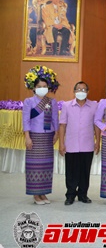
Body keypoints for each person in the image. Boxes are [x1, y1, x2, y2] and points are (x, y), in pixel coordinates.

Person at [58, 81, 99, 205]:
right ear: (74, 91)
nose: (81, 92)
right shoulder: (66, 105)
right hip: (71, 144)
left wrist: (98, 141)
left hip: (87, 144)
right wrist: (61, 143)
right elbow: (62, 125)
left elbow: (96, 125)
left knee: (84, 171)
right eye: (78, 89)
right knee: (71, 172)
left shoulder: (94, 105)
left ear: (88, 92)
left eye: (84, 90)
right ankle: (70, 195)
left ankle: (83, 194)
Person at [22, 77, 59, 205]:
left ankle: (43, 192)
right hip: (35, 136)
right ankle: (35, 194)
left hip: (48, 136)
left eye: (45, 86)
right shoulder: (29, 101)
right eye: (40, 86)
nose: (42, 88)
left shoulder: (52, 101)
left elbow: (55, 118)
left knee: (45, 166)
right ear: (34, 88)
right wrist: (27, 137)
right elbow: (26, 119)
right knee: (35, 166)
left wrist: (56, 133)